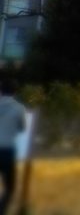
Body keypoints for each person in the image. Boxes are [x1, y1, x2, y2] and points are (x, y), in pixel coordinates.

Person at [0, 79, 26, 214]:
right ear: (15, 92)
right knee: (10, 187)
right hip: (8, 151)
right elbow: (22, 128)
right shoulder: (19, 108)